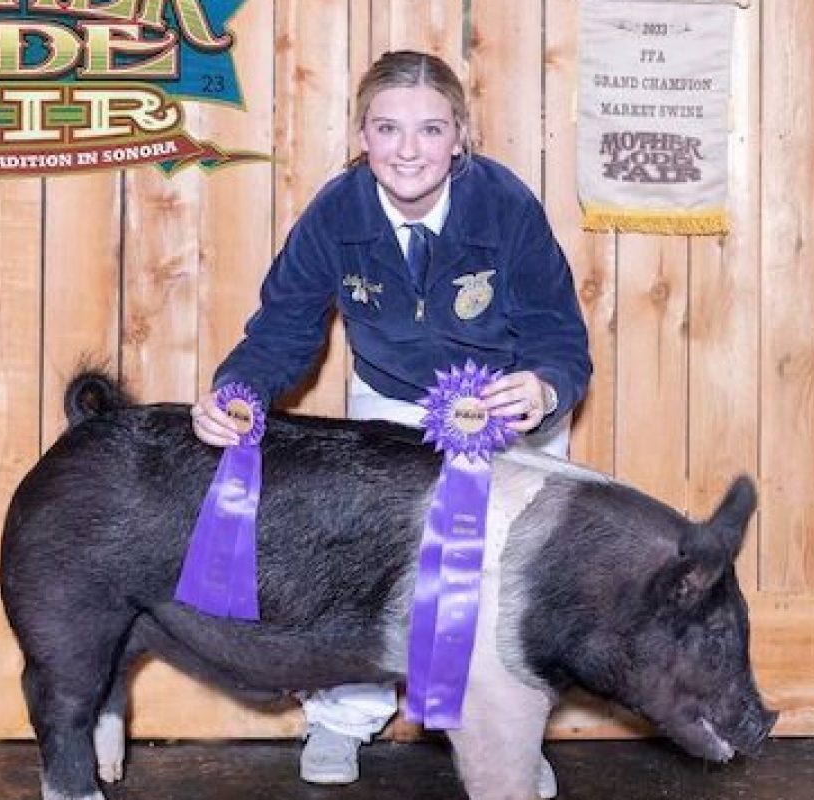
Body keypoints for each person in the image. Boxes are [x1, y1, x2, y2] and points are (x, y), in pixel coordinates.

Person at [190, 50, 591, 798]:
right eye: (388, 128)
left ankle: (507, 740)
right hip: (393, 403)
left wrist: (544, 387)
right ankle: (342, 716)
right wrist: (240, 390)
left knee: (512, 593)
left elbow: (557, 333)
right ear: (362, 135)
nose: (409, 149)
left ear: (459, 137)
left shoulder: (507, 209)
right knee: (365, 571)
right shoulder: (337, 213)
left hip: (511, 414)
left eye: (430, 129)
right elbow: (283, 328)